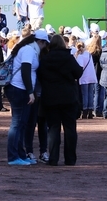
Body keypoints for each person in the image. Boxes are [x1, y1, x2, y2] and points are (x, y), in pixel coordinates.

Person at [37, 34, 83, 166]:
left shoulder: (45, 59)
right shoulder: (68, 58)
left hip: (50, 98)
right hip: (68, 97)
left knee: (53, 129)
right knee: (70, 129)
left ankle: (53, 158)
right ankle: (70, 159)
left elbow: (40, 76)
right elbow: (78, 73)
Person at [5, 29, 49, 166]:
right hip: (19, 89)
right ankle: (13, 156)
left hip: (20, 89)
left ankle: (20, 154)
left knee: (21, 124)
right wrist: (30, 91)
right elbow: (25, 71)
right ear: (41, 42)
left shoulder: (29, 49)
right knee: (17, 124)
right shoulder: (29, 51)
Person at [74, 41, 97, 119]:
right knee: (90, 94)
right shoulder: (89, 54)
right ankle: (90, 111)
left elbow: (80, 67)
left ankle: (85, 111)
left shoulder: (80, 56)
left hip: (84, 77)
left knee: (85, 95)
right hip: (91, 76)